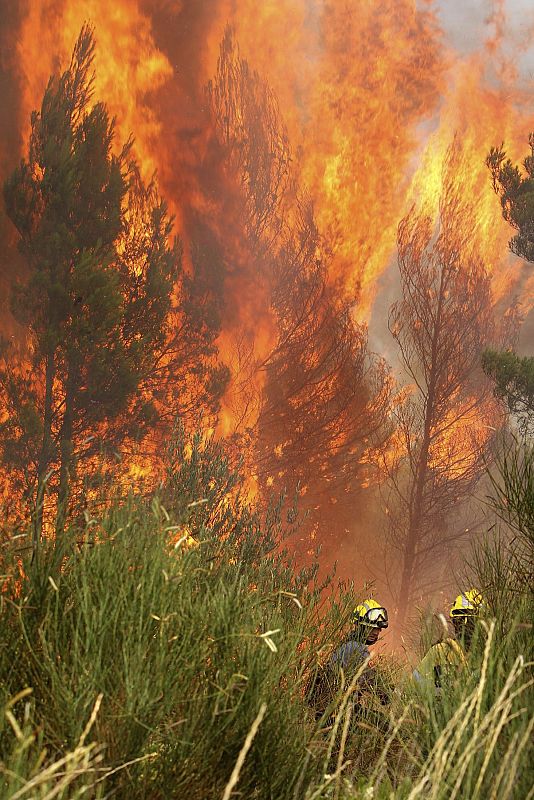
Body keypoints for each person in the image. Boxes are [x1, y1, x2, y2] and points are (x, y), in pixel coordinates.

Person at [307, 599, 389, 717]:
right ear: (359, 626)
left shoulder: (348, 644)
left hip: (332, 711)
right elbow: (370, 680)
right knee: (384, 723)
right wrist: (387, 692)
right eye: (371, 627)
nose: (376, 632)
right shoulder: (355, 648)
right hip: (337, 713)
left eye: (378, 629)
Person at [413, 589, 482, 693]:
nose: (463, 626)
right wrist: (437, 692)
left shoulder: (493, 654)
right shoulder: (440, 651)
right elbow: (415, 682)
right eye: (459, 621)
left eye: (470, 621)